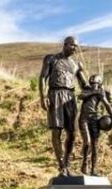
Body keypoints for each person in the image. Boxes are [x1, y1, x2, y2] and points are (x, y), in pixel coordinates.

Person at [38, 36, 88, 176]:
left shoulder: (76, 64)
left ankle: (67, 163)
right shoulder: (51, 59)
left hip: (70, 98)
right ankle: (61, 166)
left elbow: (85, 85)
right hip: (55, 95)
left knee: (72, 133)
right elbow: (42, 78)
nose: (75, 48)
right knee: (56, 131)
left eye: (76, 46)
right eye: (72, 45)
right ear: (65, 44)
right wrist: (43, 97)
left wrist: (94, 85)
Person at [78, 74, 112, 176]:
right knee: (87, 142)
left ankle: (94, 169)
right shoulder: (87, 89)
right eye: (92, 84)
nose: (94, 85)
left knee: (95, 146)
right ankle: (84, 163)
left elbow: (107, 105)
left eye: (96, 84)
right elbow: (81, 96)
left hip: (94, 119)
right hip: (84, 119)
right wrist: (94, 91)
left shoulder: (101, 92)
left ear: (99, 84)